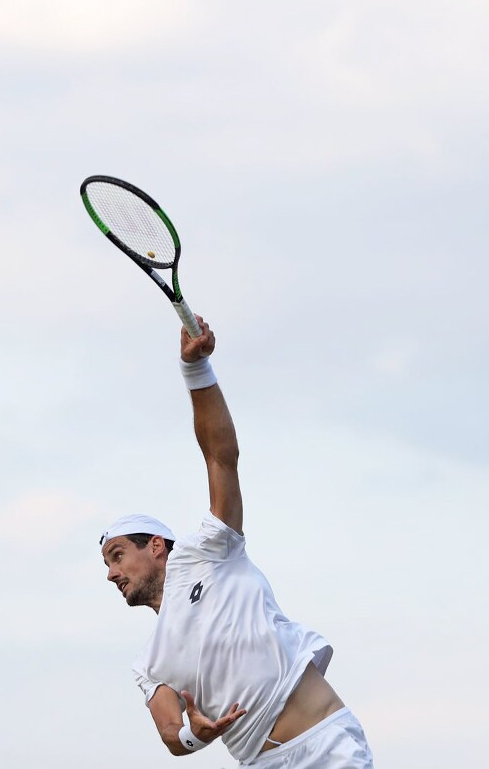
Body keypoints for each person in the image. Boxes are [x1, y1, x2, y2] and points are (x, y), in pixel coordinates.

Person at [99, 316, 375, 767]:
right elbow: (171, 733)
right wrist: (193, 733)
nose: (111, 573)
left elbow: (220, 457)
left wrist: (196, 371)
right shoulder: (148, 663)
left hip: (325, 747)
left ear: (155, 546)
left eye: (117, 555)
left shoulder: (207, 552)